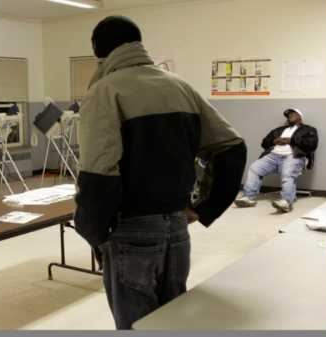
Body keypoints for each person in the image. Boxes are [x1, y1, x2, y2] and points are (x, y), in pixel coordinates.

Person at [73, 16, 247, 330]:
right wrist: (203, 207)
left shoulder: (104, 90)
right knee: (174, 323)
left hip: (130, 229)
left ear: (99, 51)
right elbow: (231, 148)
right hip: (178, 228)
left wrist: (94, 235)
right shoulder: (180, 86)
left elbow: (99, 174)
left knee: (136, 327)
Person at [234, 108, 318, 213]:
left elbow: (312, 145)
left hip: (292, 156)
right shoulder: (278, 130)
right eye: (288, 115)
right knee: (254, 168)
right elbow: (264, 142)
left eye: (292, 114)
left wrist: (291, 140)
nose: (289, 116)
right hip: (273, 156)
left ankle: (286, 201)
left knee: (288, 173)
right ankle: (248, 198)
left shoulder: (308, 129)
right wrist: (274, 141)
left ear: (299, 116)